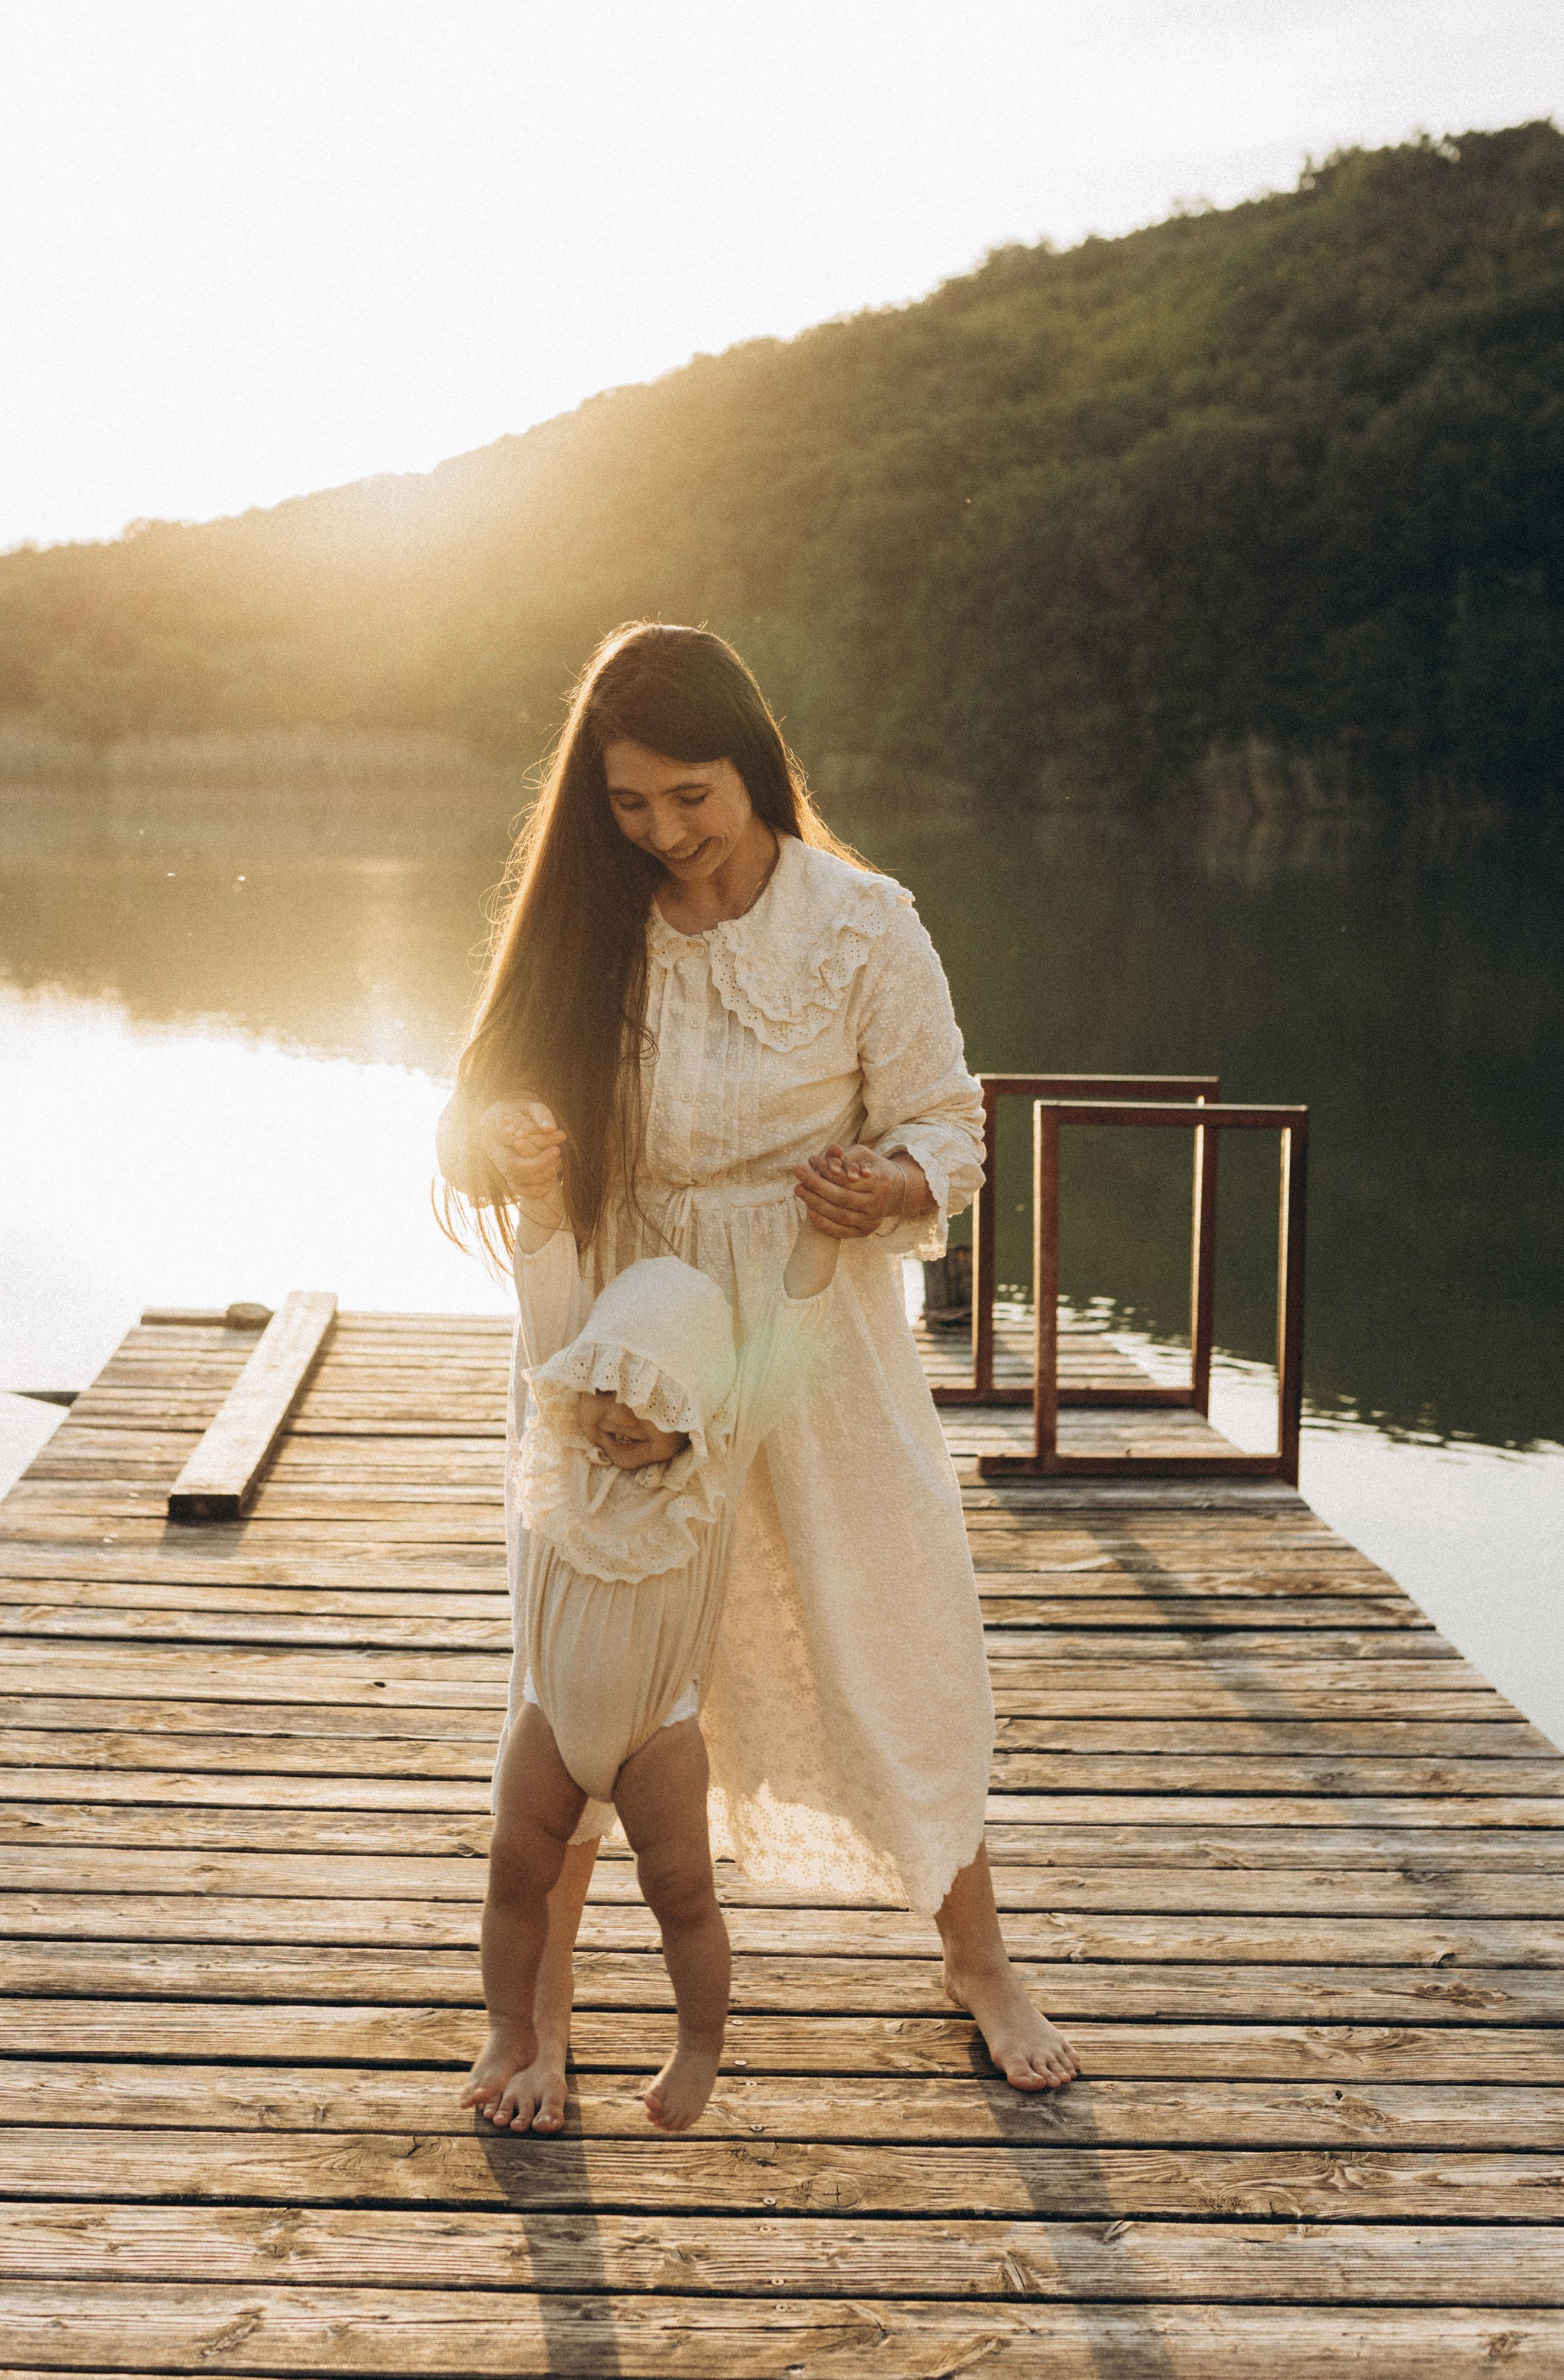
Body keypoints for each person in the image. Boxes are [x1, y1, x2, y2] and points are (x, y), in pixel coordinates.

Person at [437, 621, 1078, 2130]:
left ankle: (976, 1960)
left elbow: (949, 1125)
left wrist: (895, 1187)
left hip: (805, 1332)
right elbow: (469, 1107)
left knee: (889, 1624)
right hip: (630, 1339)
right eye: (629, 805)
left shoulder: (861, 923)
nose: (661, 832)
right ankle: (536, 2012)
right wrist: (494, 1140)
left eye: (690, 797)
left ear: (754, 770)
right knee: (590, 1664)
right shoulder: (589, 924)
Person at [461, 1169, 841, 2132]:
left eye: (649, 1391)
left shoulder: (705, 1478)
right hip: (548, 1720)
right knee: (514, 1871)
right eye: (603, 1383)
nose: (616, 1413)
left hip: (657, 1734)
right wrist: (541, 1198)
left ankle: (700, 2041)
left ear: (696, 1406)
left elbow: (785, 1335)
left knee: (680, 1888)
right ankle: (510, 2027)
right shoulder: (560, 1452)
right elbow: (544, 1285)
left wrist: (821, 1238)